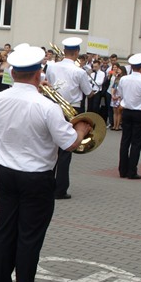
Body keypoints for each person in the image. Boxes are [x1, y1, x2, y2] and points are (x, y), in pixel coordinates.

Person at [0, 46, 93, 282]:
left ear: (13, 73)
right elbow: (70, 143)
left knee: (5, 229)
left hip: (5, 172)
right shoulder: (47, 106)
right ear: (38, 74)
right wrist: (81, 128)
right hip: (36, 177)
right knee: (30, 235)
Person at [46, 37, 95, 199]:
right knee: (66, 149)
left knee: (52, 147)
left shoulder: (52, 66)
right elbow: (89, 92)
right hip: (73, 109)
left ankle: (47, 185)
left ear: (64, 51)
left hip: (54, 106)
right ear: (77, 52)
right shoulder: (79, 71)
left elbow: (50, 85)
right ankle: (60, 189)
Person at [117, 53, 141, 179]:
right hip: (140, 113)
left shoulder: (124, 79)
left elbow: (120, 93)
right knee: (136, 142)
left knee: (125, 141)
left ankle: (122, 170)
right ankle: (131, 171)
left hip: (127, 111)